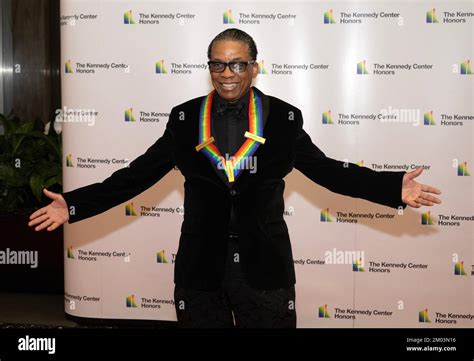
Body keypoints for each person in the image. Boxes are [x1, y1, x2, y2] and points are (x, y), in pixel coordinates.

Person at [29, 29, 441, 328]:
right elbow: (136, 176)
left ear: (254, 67)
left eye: (237, 63)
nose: (227, 73)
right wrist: (75, 203)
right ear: (209, 67)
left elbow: (329, 171)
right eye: (218, 64)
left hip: (264, 268)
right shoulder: (186, 117)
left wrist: (391, 187)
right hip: (200, 266)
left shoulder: (283, 118)